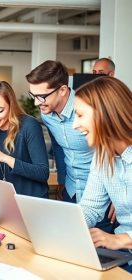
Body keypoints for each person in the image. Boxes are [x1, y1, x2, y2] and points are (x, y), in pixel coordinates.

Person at [26, 60, 115, 232]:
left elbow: (116, 151)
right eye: (33, 96)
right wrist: (61, 180)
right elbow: (59, 148)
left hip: (102, 193)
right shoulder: (47, 114)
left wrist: (119, 197)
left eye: (42, 96)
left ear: (62, 90)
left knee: (103, 252)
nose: (37, 103)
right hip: (71, 189)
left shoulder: (91, 109)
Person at [73, 76, 132, 272]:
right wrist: (59, 224)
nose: (75, 125)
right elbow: (90, 208)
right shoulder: (102, 157)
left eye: (80, 115)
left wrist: (120, 239)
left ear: (105, 113)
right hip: (123, 256)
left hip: (122, 247)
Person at [0, 81, 49, 197]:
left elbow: (42, 173)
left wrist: (5, 158)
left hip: (32, 201)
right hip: (5, 201)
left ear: (11, 107)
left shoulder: (29, 126)